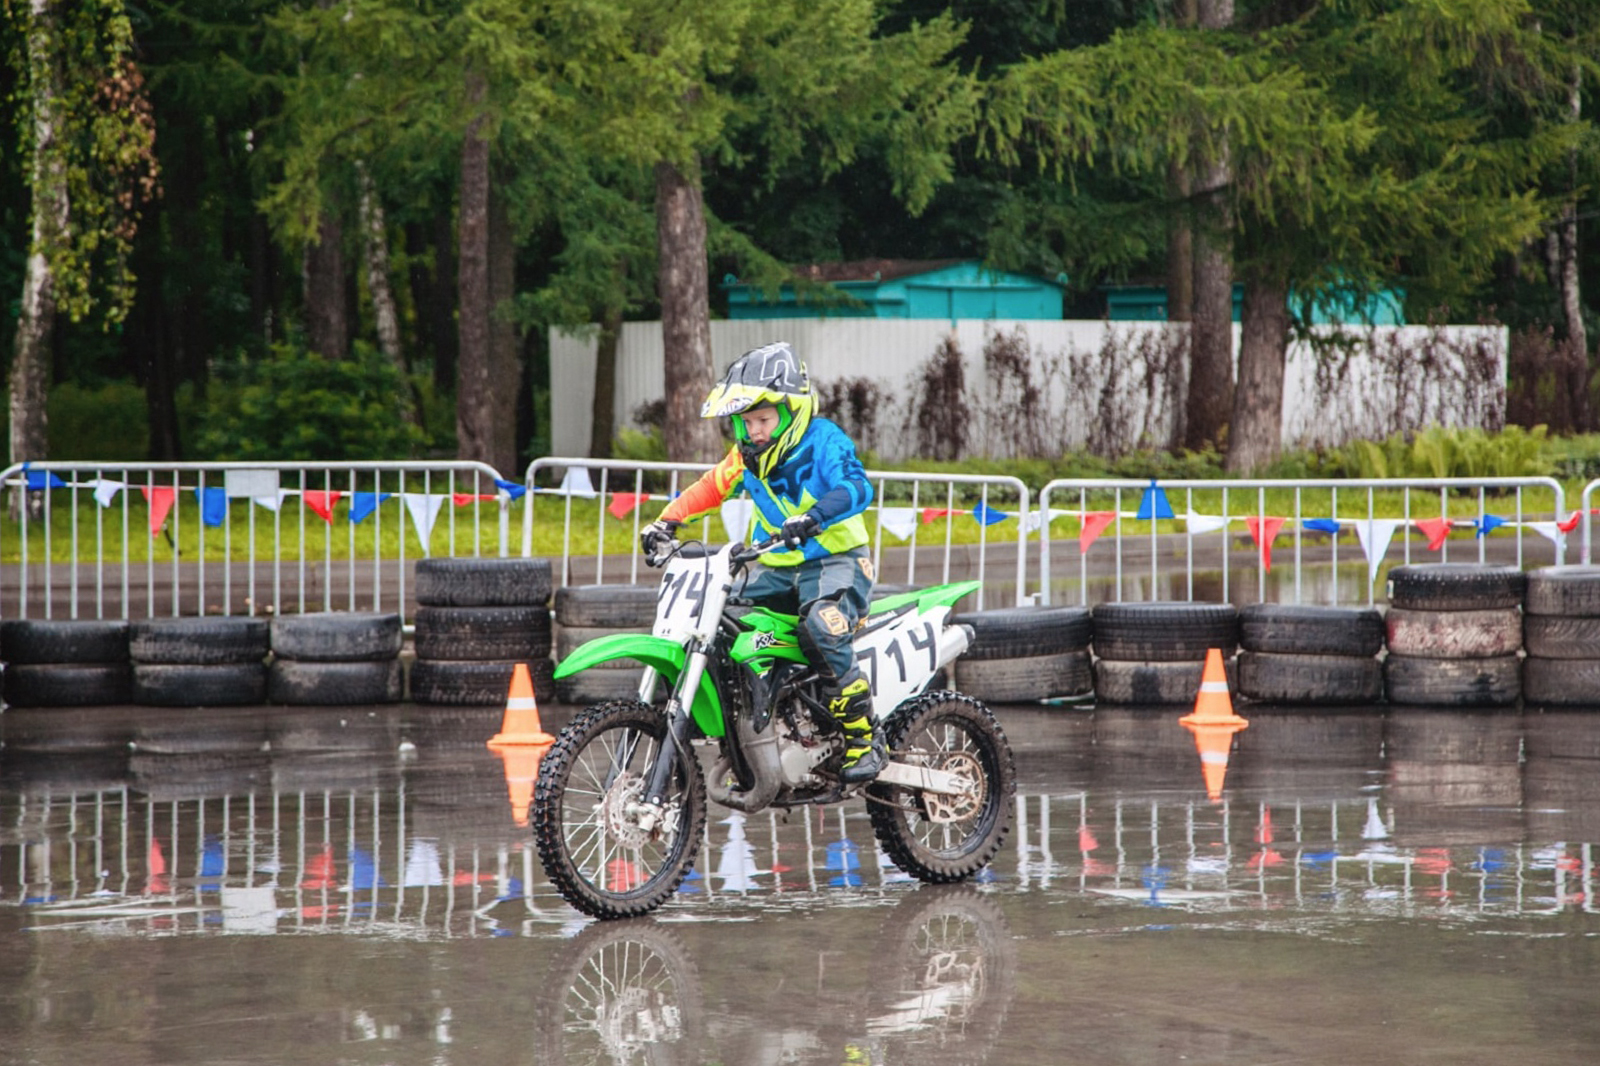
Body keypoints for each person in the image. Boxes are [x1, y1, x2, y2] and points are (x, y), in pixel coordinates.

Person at [640, 342, 882, 783]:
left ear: (791, 412)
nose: (754, 431)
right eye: (746, 422)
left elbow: (857, 487)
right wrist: (665, 521)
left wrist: (814, 516)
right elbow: (710, 487)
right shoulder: (746, 458)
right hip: (775, 567)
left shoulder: (823, 440)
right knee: (717, 617)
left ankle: (864, 737)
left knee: (822, 626)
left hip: (837, 561)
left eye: (764, 420)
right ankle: (750, 726)